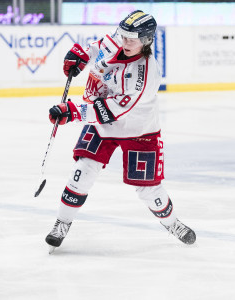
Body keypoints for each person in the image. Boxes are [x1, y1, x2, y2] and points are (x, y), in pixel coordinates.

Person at [45, 10, 196, 253]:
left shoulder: (144, 74)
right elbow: (99, 47)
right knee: (82, 171)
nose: (124, 41)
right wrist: (82, 55)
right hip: (101, 124)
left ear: (146, 41)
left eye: (131, 39)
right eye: (123, 36)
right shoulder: (122, 39)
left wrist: (73, 112)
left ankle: (172, 223)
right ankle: (62, 222)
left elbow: (110, 110)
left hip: (138, 129)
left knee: (148, 189)